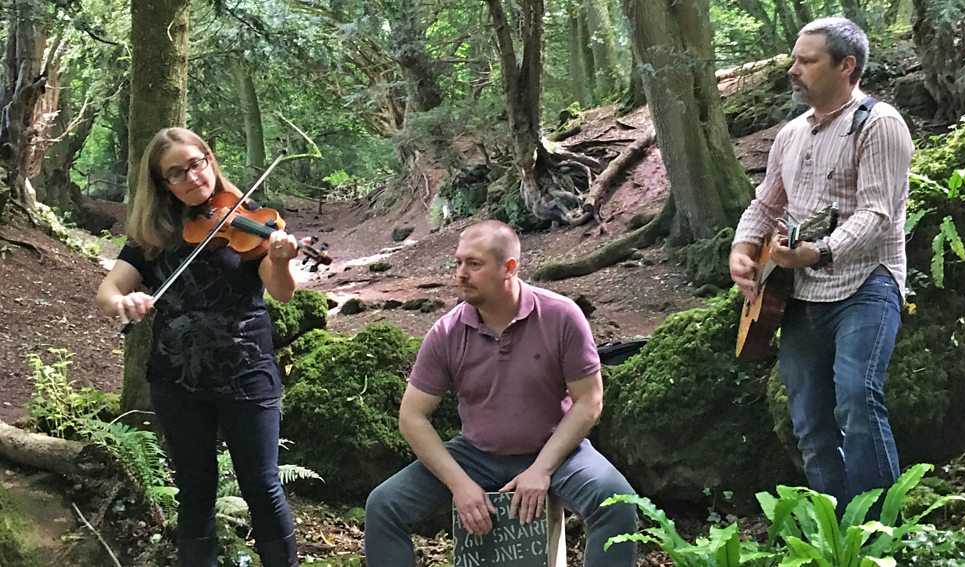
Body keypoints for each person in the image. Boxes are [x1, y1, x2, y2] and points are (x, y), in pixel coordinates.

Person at [364, 220, 637, 566]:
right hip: (476, 453)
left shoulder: (561, 316)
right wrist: (459, 485)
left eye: (474, 264)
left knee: (617, 501)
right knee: (384, 506)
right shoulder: (447, 332)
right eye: (458, 262)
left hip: (557, 449)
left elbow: (589, 400)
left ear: (509, 268)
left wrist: (542, 468)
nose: (460, 273)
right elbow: (411, 416)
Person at [729, 17, 913, 513]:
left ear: (846, 66)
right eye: (795, 59)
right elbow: (766, 205)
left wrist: (820, 251)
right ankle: (837, 533)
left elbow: (878, 215)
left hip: (866, 285)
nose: (793, 69)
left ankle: (880, 531)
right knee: (809, 420)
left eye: (806, 61)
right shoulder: (790, 134)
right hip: (798, 295)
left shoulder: (879, 125)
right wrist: (743, 248)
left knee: (856, 397)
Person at [96, 127, 300, 567]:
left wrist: (281, 259)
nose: (191, 177)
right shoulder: (154, 235)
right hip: (176, 380)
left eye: (197, 163)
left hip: (247, 375)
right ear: (162, 184)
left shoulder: (251, 222)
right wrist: (123, 301)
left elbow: (280, 292)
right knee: (194, 491)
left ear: (210, 159)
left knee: (262, 487)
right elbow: (108, 290)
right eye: (175, 173)